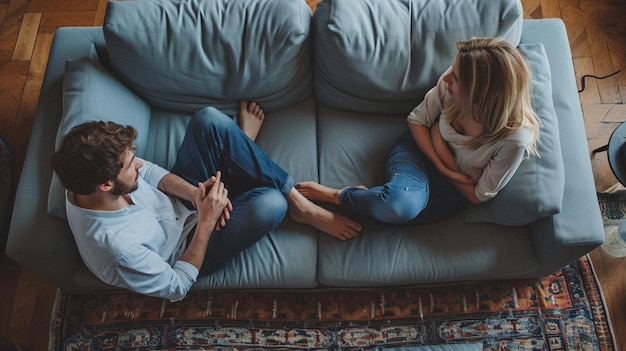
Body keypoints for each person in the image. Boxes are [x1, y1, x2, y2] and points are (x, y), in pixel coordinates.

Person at [52, 101, 362, 301]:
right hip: (189, 246)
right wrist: (205, 221)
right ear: (106, 184)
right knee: (271, 204)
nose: (139, 164)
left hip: (184, 202)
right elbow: (176, 286)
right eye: (131, 164)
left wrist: (194, 194)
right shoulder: (119, 248)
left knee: (208, 119)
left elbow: (151, 174)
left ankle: (287, 190)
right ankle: (271, 181)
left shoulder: (95, 178)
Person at [296, 37, 541, 225]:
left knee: (394, 211)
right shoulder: (450, 86)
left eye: (455, 79)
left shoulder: (513, 140)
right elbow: (417, 122)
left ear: (481, 95)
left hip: (450, 194)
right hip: (417, 153)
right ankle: (340, 196)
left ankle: (369, 197)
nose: (446, 80)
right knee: (398, 206)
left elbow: (479, 195)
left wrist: (443, 154)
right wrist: (451, 169)